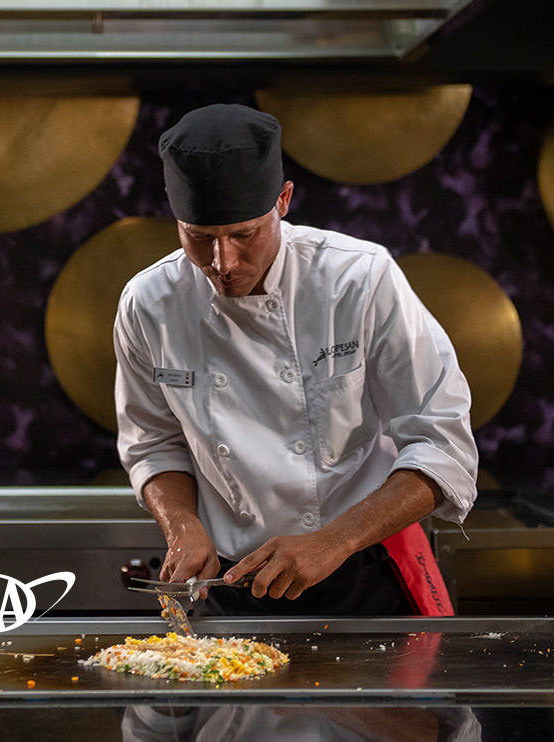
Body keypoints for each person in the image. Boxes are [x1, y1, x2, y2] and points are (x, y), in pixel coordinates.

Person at [113, 104, 478, 617]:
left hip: (362, 574)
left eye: (243, 235)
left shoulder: (359, 279)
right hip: (229, 586)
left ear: (283, 201)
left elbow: (443, 446)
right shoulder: (149, 303)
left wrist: (332, 541)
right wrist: (183, 525)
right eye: (199, 239)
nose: (224, 264)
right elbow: (153, 442)